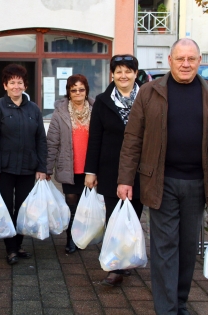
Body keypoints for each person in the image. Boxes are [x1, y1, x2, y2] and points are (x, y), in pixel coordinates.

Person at [117, 38, 207, 315]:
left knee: (189, 248)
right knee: (165, 247)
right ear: (169, 61)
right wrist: (125, 179)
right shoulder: (149, 91)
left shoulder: (207, 92)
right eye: (180, 58)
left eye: (191, 59)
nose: (186, 64)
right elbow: (133, 138)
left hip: (198, 184)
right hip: (160, 181)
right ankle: (167, 309)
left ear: (199, 61)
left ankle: (179, 302)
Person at [84, 54, 143, 286]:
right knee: (113, 215)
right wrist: (91, 170)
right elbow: (95, 137)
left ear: (135, 74)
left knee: (134, 216)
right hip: (110, 168)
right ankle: (115, 265)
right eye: (118, 71)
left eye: (128, 71)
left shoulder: (147, 97)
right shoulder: (102, 100)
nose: (123, 75)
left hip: (140, 169)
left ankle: (129, 258)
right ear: (112, 74)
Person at [0, 64, 47, 265]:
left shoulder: (34, 109)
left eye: (19, 82)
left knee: (23, 208)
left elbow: (41, 140)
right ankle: (10, 248)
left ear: (25, 85)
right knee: (6, 207)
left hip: (28, 168)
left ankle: (18, 244)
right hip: (4, 168)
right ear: (5, 85)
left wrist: (42, 167)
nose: (16, 86)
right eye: (12, 82)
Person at [46, 74, 94, 254]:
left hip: (90, 168)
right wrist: (47, 168)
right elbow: (52, 143)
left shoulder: (96, 110)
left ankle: (84, 236)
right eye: (73, 90)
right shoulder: (60, 113)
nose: (78, 93)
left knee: (86, 204)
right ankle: (71, 238)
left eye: (81, 89)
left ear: (86, 90)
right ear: (68, 92)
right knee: (71, 202)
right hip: (69, 166)